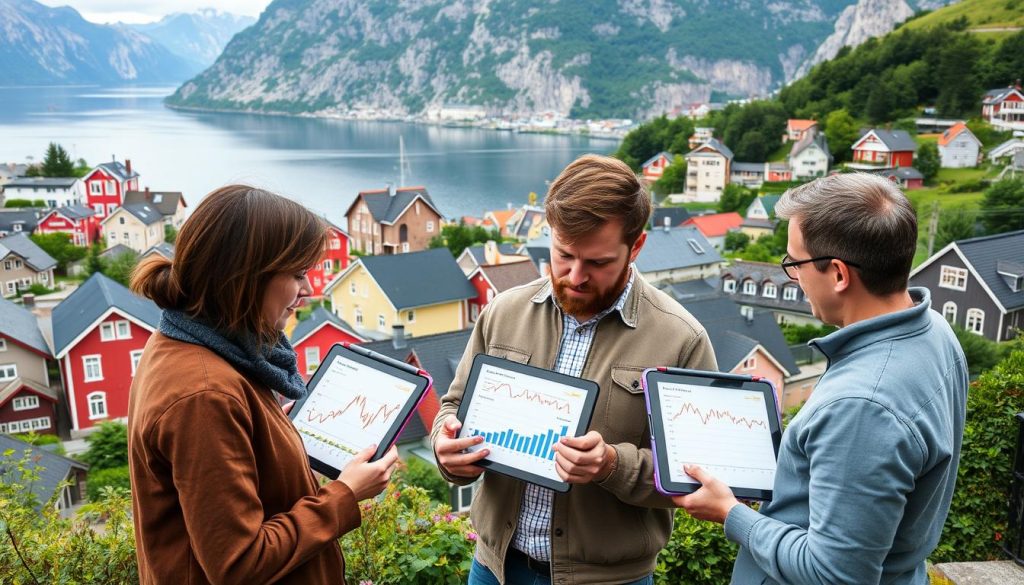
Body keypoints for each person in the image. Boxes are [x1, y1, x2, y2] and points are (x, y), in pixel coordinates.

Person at [431, 154, 718, 585]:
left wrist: (610, 466)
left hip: (611, 580)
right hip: (494, 568)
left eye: (598, 263)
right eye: (563, 254)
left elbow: (699, 475)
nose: (575, 276)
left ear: (636, 247)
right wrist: (445, 447)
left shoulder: (683, 339)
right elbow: (453, 404)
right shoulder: (502, 311)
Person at [674, 173, 968, 584]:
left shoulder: (862, 407)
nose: (793, 277)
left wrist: (730, 513)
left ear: (839, 275)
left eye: (794, 264)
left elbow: (834, 573)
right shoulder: (934, 330)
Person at [127, 185, 399, 585]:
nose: (307, 291)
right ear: (246, 277)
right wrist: (345, 494)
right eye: (297, 275)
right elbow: (240, 565)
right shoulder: (205, 396)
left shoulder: (185, 340)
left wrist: (274, 432)